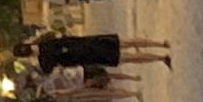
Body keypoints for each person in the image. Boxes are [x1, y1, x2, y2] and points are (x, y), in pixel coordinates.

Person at [33, 29, 172, 73]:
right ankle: (160, 45)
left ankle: (160, 58)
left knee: (128, 57)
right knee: (126, 43)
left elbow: (55, 70)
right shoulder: (45, 43)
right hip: (88, 42)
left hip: (89, 56)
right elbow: (61, 35)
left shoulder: (44, 63)